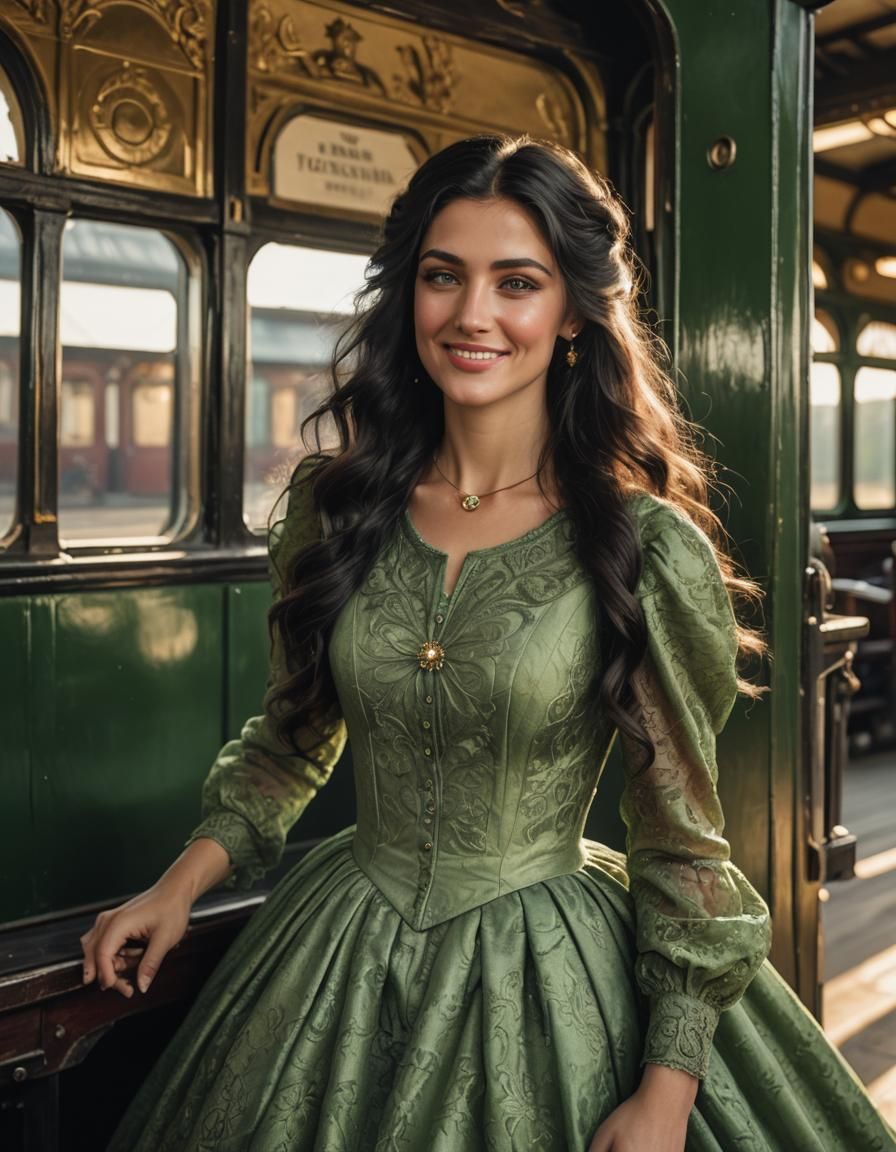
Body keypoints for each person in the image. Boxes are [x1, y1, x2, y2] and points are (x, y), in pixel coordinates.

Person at [82, 134, 896, 1152]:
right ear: (407, 299)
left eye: (516, 283)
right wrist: (176, 887)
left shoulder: (640, 547)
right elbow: (287, 747)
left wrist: (668, 1088)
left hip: (551, 969)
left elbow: (678, 837)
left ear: (569, 319)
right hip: (335, 949)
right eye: (441, 277)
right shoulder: (332, 512)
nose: (471, 315)